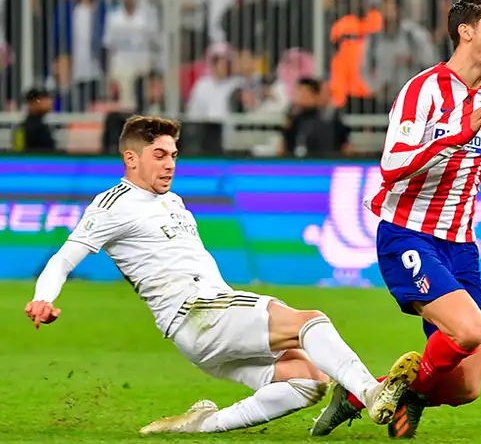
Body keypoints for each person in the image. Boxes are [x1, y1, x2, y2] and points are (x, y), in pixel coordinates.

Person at [23, 115, 420, 435]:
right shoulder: (113, 204)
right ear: (131, 158)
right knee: (310, 321)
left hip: (205, 323)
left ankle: (203, 425)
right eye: (159, 155)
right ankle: (371, 392)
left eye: (174, 155)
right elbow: (62, 258)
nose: (170, 164)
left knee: (308, 380)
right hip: (199, 312)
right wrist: (44, 298)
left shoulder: (173, 201)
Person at [311, 0, 481, 439]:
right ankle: (404, 396)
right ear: (465, 32)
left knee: (466, 387)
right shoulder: (423, 90)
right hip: (408, 236)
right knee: (470, 330)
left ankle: (363, 393)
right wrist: (457, 133)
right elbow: (392, 166)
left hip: (461, 246)